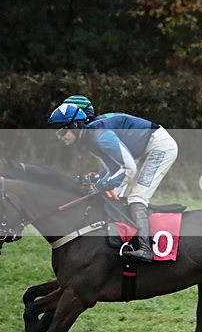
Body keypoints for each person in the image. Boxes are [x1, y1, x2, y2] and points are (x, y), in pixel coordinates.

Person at [47, 103, 179, 261]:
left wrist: (101, 185)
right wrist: (98, 183)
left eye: (62, 130)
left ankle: (146, 248)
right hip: (142, 150)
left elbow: (129, 169)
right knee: (115, 194)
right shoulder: (89, 138)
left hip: (160, 148)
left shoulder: (100, 136)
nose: (60, 137)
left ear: (75, 125)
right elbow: (113, 169)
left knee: (136, 197)